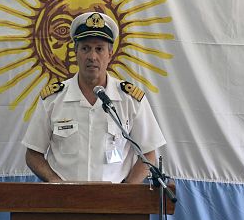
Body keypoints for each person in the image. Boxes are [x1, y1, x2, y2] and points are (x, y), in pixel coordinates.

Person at [23, 11, 166, 183]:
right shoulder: (53, 99)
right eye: (85, 48)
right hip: (64, 201)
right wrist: (56, 184)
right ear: (75, 51)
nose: (92, 56)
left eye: (99, 49)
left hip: (115, 203)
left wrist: (126, 192)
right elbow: (33, 154)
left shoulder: (130, 100)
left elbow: (148, 154)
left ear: (110, 54)